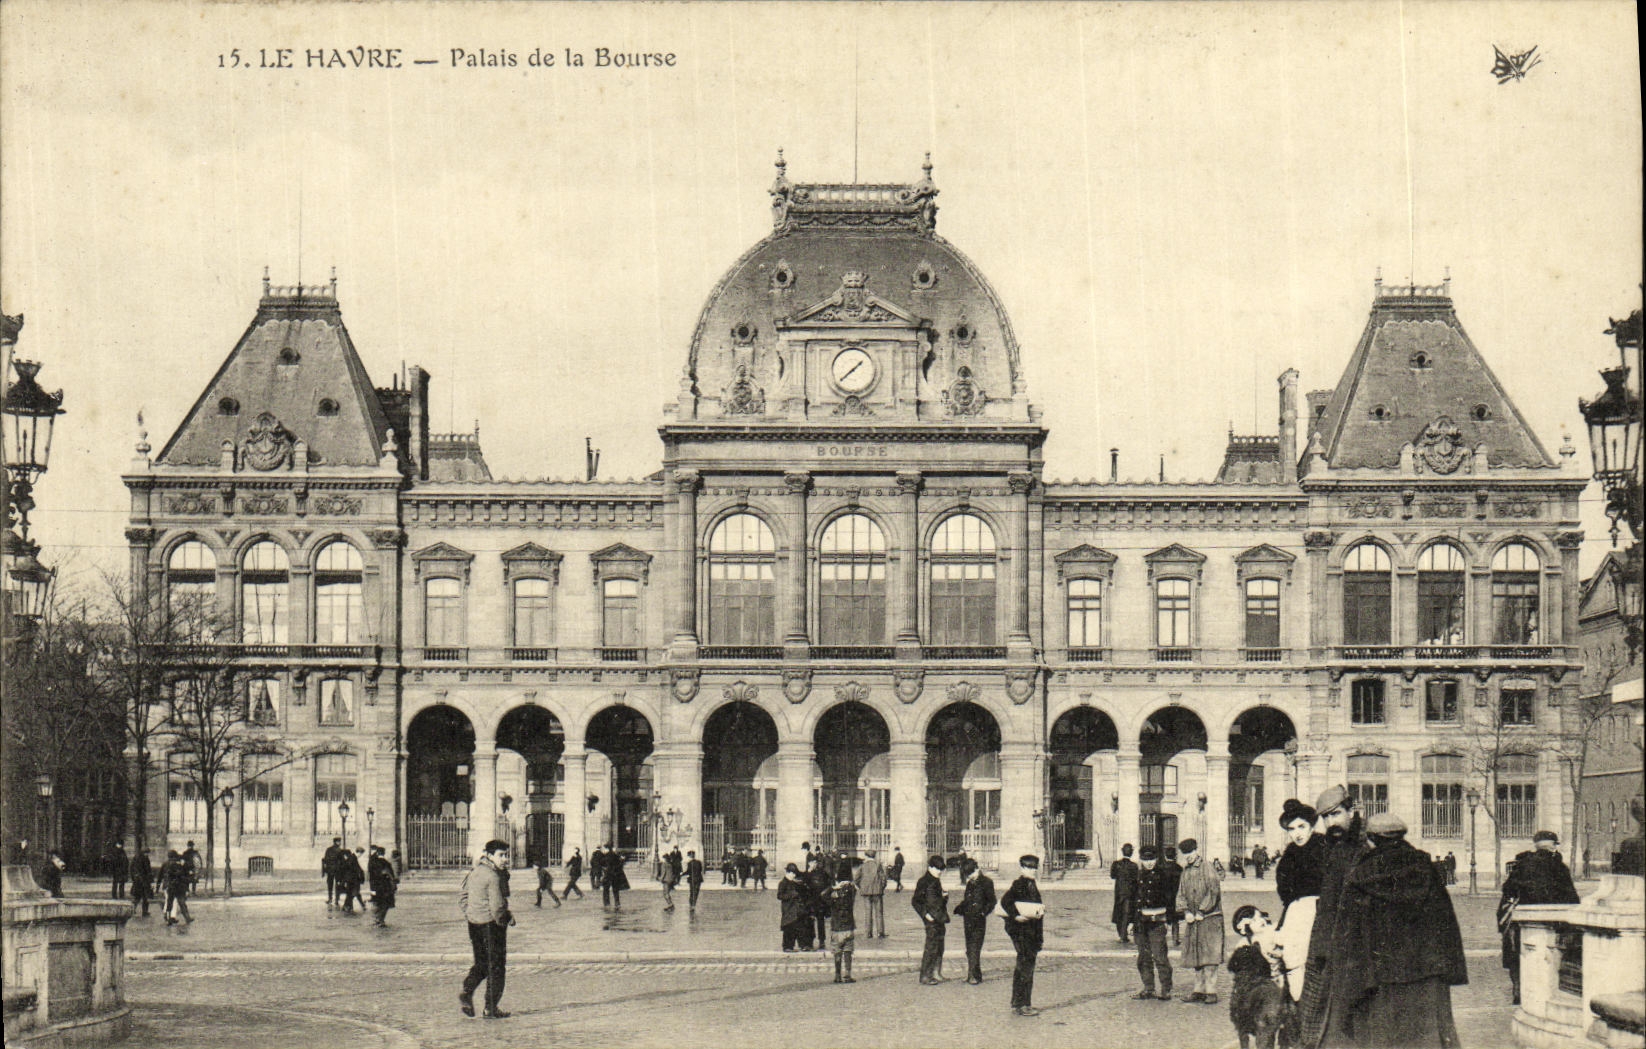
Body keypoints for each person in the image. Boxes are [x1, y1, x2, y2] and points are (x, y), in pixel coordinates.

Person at [1328, 812, 1467, 1047]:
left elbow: (1351, 932)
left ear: (1372, 839)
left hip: (1381, 977)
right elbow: (1445, 921)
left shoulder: (1362, 873)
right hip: (1426, 973)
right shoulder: (1425, 867)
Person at [1296, 785, 1364, 1049]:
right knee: (1314, 1013)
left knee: (1349, 1020)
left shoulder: (1364, 846)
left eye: (1336, 814)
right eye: (1325, 817)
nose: (1331, 822)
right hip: (1325, 941)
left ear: (1351, 810)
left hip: (1353, 945)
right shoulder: (1331, 846)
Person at [1499, 829, 1579, 1005]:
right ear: (1553, 847)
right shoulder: (1559, 867)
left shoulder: (1522, 864)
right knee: (1550, 960)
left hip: (1523, 923)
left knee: (1519, 957)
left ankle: (1519, 989)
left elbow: (1508, 890)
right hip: (1553, 924)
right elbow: (1572, 898)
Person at [1273, 798, 1326, 1004]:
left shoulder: (1324, 848)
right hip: (1296, 914)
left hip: (1320, 911)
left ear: (1311, 826)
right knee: (1294, 963)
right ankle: (1299, 1006)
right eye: (1292, 829)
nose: (1297, 833)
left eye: (1301, 827)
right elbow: (1284, 890)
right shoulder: (1289, 855)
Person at [458, 839, 513, 1020]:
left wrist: (471, 913)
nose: (505, 859)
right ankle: (490, 1008)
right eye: (501, 855)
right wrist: (506, 919)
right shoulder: (493, 876)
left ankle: (467, 991)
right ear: (489, 855)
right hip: (492, 926)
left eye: (506, 855)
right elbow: (497, 907)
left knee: (481, 963)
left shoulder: (474, 872)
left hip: (474, 925)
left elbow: (463, 897)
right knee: (497, 967)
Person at [1227, 905, 1290, 1049]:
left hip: (1280, 983)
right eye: (1255, 919)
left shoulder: (1273, 934)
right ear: (1244, 927)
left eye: (1261, 916)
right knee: (1265, 1026)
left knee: (1283, 1024)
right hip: (1260, 991)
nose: (1261, 920)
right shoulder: (1244, 944)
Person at [1176, 837, 1225, 1005]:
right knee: (1196, 956)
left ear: (1196, 850)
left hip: (1210, 919)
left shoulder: (1207, 867)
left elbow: (1213, 891)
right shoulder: (1185, 871)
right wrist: (1186, 911)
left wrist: (1202, 910)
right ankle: (1198, 990)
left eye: (1190, 852)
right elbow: (1181, 893)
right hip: (1194, 920)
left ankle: (1211, 991)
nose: (1188, 856)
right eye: (1185, 853)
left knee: (1210, 956)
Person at [1000, 854, 1045, 1017]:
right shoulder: (1019, 884)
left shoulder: (1031, 884)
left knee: (1024, 968)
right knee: (1025, 969)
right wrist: (1016, 916)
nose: (1032, 871)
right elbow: (1005, 902)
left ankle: (1018, 1003)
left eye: (1034, 868)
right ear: (1022, 868)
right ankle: (1024, 1004)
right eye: (1029, 867)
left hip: (1030, 933)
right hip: (1022, 933)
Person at [1129, 845, 1174, 1001]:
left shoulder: (1164, 875)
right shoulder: (1137, 876)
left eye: (1152, 859)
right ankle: (1148, 987)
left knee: (1160, 956)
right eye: (1146, 860)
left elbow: (1170, 899)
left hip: (1157, 922)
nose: (1149, 863)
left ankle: (1166, 988)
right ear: (1141, 860)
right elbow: (1133, 899)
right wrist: (1131, 921)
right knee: (1143, 957)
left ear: (1156, 859)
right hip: (1141, 922)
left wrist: (1169, 919)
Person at [954, 857, 997, 985]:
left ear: (977, 869)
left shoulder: (986, 882)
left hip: (979, 919)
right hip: (968, 918)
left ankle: (973, 975)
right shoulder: (970, 883)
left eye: (971, 873)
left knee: (975, 947)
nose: (969, 877)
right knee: (969, 947)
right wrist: (959, 908)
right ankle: (974, 975)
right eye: (967, 875)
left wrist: (984, 912)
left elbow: (992, 901)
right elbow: (967, 900)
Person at [912, 853, 950, 984]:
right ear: (930, 867)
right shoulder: (924, 881)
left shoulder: (936, 880)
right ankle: (925, 976)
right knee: (931, 947)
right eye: (937, 869)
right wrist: (925, 915)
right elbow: (915, 901)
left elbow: (938, 902)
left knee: (940, 947)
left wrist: (945, 897)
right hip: (931, 919)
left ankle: (936, 973)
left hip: (940, 918)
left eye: (941, 869)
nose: (939, 872)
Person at [828, 859, 858, 984]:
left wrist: (832, 888)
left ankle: (837, 975)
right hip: (849, 925)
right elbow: (854, 889)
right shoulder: (851, 890)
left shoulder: (835, 893)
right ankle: (847, 975)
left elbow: (822, 896)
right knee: (848, 950)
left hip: (836, 926)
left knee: (837, 951)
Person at [853, 847, 889, 938]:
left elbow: (856, 879)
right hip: (877, 892)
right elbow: (884, 879)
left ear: (866, 856)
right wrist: (881, 887)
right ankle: (880, 932)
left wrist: (862, 887)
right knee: (879, 913)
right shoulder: (878, 865)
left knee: (868, 912)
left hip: (866, 892)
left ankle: (868, 932)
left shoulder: (863, 866)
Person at [778, 863, 810, 951]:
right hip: (788, 909)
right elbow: (779, 896)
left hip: (796, 909)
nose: (794, 875)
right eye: (793, 873)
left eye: (795, 873)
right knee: (789, 928)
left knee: (800, 927)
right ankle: (788, 946)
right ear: (788, 873)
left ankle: (803, 945)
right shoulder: (783, 883)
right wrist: (791, 895)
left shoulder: (794, 883)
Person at [1111, 843, 1138, 943]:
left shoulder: (1116, 864)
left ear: (1122, 851)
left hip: (1119, 892)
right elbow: (1136, 879)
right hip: (1130, 893)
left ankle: (1121, 934)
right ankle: (1123, 935)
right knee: (1126, 913)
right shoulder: (1134, 866)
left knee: (1119, 913)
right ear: (1131, 853)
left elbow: (1112, 876)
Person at [805, 855, 832, 950]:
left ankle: (822, 941)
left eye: (815, 862)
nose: (813, 864)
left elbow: (829, 884)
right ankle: (810, 941)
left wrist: (825, 892)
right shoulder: (806, 874)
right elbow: (804, 885)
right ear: (809, 863)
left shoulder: (822, 872)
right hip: (810, 901)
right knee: (810, 922)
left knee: (821, 921)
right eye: (812, 862)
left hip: (820, 900)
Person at [368, 845, 398, 926]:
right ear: (384, 853)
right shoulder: (387, 863)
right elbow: (392, 876)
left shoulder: (373, 863)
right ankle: (381, 919)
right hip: (386, 888)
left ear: (377, 853)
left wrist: (372, 888)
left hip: (377, 887)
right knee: (385, 904)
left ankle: (377, 919)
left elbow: (372, 877)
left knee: (377, 903)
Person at [1161, 845, 1184, 946]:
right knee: (1175, 920)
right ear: (1175, 856)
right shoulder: (1179, 868)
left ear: (1165, 856)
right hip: (1174, 896)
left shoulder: (1161, 867)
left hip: (1163, 897)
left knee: (1163, 919)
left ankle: (1161, 939)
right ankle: (1175, 939)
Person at [162, 849, 192, 925]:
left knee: (170, 903)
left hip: (172, 887)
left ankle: (169, 920)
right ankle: (187, 918)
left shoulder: (167, 864)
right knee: (181, 903)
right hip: (177, 887)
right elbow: (181, 876)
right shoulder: (176, 865)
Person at [336, 846, 365, 914]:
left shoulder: (353, 858)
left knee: (351, 894)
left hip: (351, 879)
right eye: (361, 854)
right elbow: (350, 870)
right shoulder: (352, 858)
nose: (361, 856)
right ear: (359, 852)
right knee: (352, 893)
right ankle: (348, 907)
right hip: (351, 880)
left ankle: (347, 907)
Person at [130, 850, 154, 917]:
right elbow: (148, 870)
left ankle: (133, 910)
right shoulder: (144, 859)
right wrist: (150, 880)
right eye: (147, 853)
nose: (147, 854)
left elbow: (131, 869)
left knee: (138, 897)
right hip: (143, 881)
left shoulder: (136, 858)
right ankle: (144, 912)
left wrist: (133, 878)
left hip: (138, 881)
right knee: (144, 897)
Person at [322, 837, 343, 905]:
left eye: (339, 841)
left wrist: (325, 870)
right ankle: (335, 899)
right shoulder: (339, 850)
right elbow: (342, 861)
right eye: (338, 841)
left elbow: (325, 860)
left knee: (332, 885)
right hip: (336, 870)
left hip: (332, 870)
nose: (339, 843)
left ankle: (332, 899)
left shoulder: (329, 849)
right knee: (336, 885)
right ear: (335, 842)